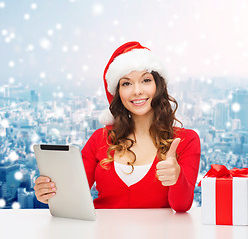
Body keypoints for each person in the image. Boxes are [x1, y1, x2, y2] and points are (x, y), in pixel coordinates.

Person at [34, 41, 201, 212]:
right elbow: (72, 195)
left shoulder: (186, 140)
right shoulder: (100, 138)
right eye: (126, 83)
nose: (137, 91)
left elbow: (182, 206)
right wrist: (49, 192)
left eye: (146, 80)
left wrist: (176, 177)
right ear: (117, 93)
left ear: (159, 86)